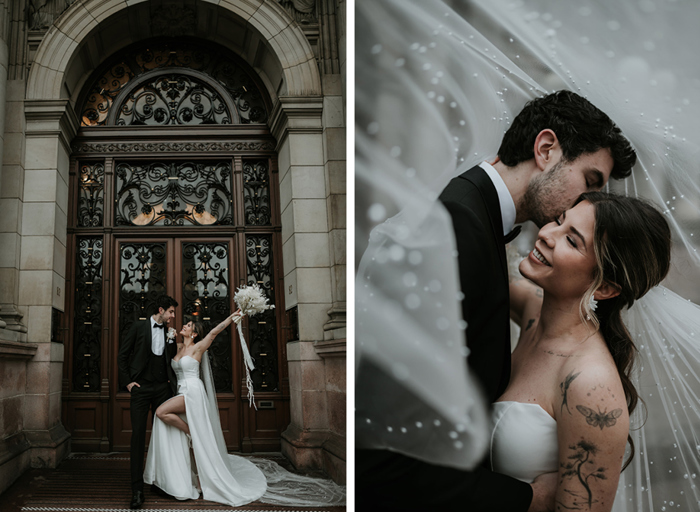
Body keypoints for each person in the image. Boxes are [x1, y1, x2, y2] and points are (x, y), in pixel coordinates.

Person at [356, 91, 637, 511]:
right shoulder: (457, 230)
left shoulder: (471, 219)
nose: (584, 203)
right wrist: (524, 500)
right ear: (545, 149)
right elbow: (388, 452)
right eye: (589, 181)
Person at [494, 192, 671, 511]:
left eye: (572, 241)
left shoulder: (590, 385)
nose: (546, 234)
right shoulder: (534, 313)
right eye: (559, 221)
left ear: (604, 287)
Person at [144, 314, 346, 507]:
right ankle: (198, 479)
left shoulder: (198, 348)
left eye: (188, 326)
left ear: (194, 333)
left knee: (162, 412)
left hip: (192, 393)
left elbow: (214, 332)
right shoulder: (178, 346)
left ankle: (190, 431)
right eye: (185, 325)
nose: (184, 326)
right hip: (180, 391)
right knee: (194, 445)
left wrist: (232, 318)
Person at [117, 294, 179, 509]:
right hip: (141, 389)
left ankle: (160, 481)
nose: (173, 316)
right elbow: (122, 356)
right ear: (160, 310)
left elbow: (170, 360)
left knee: (163, 436)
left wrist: (172, 341)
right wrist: (128, 383)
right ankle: (137, 490)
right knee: (138, 437)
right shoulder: (138, 327)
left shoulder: (170, 332)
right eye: (171, 312)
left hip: (162, 388)